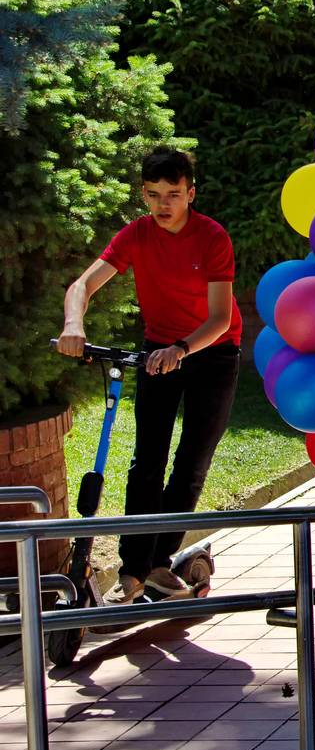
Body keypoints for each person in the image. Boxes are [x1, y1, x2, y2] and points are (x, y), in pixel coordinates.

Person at [56, 147, 242, 604]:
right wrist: (74, 324)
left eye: (173, 195)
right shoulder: (136, 234)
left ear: (190, 194)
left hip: (213, 352)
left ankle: (160, 562)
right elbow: (82, 285)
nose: (163, 204)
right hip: (158, 350)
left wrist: (181, 349)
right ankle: (134, 572)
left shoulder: (212, 237)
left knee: (192, 461)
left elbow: (220, 318)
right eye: (155, 195)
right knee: (146, 462)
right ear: (143, 194)